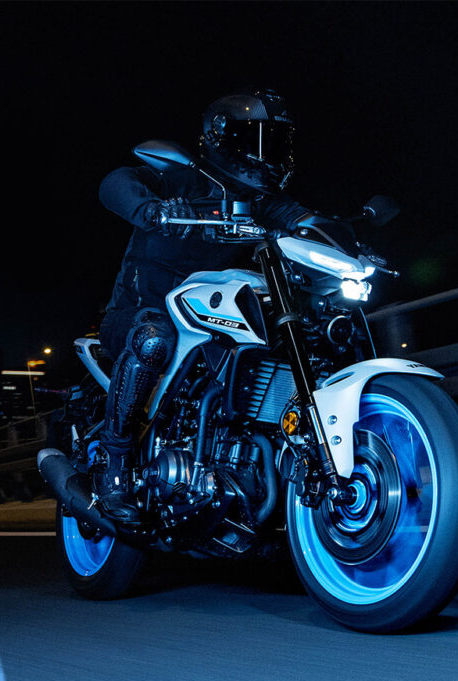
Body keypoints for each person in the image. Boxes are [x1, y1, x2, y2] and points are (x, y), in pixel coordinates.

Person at [94, 88, 309, 524]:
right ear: (222, 137)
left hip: (209, 323)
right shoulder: (182, 177)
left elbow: (304, 221)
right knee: (154, 338)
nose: (267, 150)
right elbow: (115, 182)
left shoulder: (265, 202)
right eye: (257, 138)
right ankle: (114, 463)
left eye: (276, 140)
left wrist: (342, 236)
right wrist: (150, 209)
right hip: (140, 314)